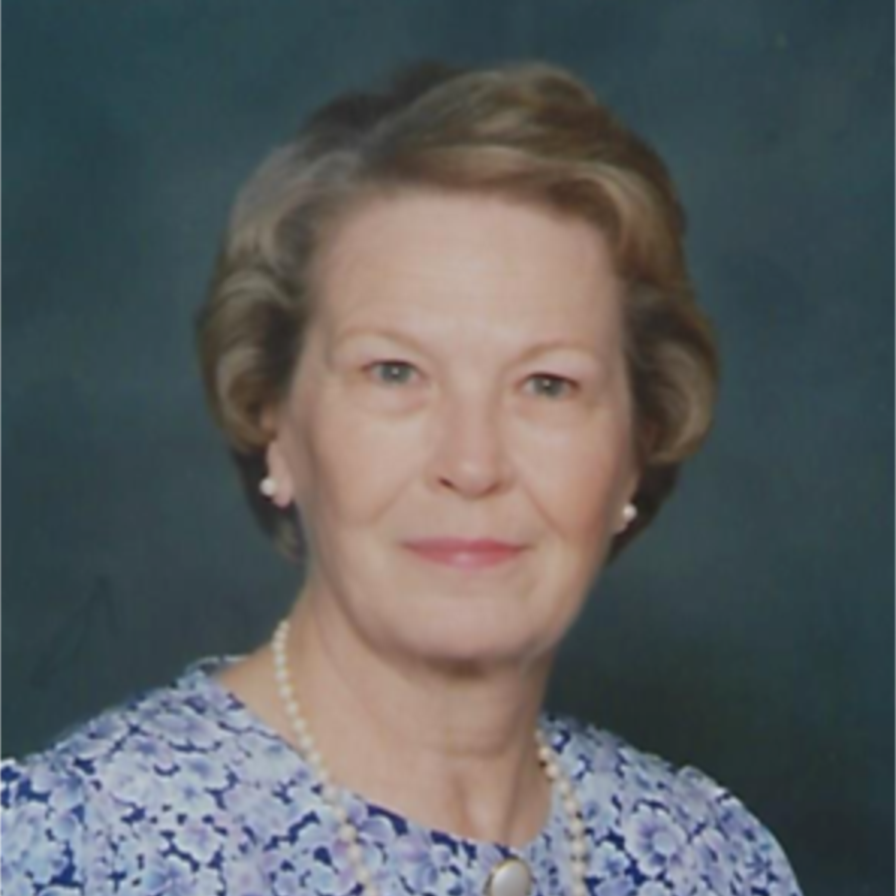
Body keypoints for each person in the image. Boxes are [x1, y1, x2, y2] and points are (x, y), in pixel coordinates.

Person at [0, 62, 802, 895]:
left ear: (637, 446)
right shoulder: (75, 850)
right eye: (394, 372)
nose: (472, 464)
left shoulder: (712, 861)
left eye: (548, 384)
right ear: (273, 418)